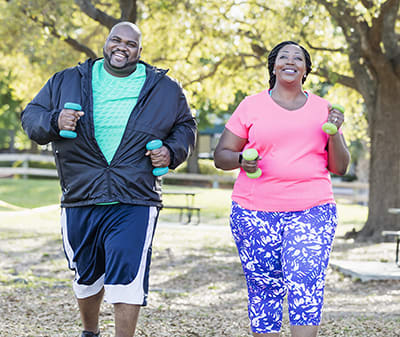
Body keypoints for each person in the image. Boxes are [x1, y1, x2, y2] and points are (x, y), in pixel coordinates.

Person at [21, 22, 196, 337]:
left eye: (131, 44)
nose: (122, 47)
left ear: (139, 52)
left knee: (127, 274)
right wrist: (54, 119)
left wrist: (171, 152)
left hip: (135, 195)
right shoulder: (67, 80)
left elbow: (185, 125)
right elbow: (31, 116)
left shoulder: (164, 88)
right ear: (105, 42)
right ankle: (90, 332)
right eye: (116, 40)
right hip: (80, 193)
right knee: (85, 275)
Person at [213, 41, 350, 337]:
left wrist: (336, 131)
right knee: (264, 286)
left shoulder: (323, 108)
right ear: (273, 66)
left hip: (312, 208)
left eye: (298, 58)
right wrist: (241, 161)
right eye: (283, 56)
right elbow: (221, 155)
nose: (290, 61)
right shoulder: (251, 105)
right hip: (254, 211)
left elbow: (340, 167)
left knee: (305, 278)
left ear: (306, 69)